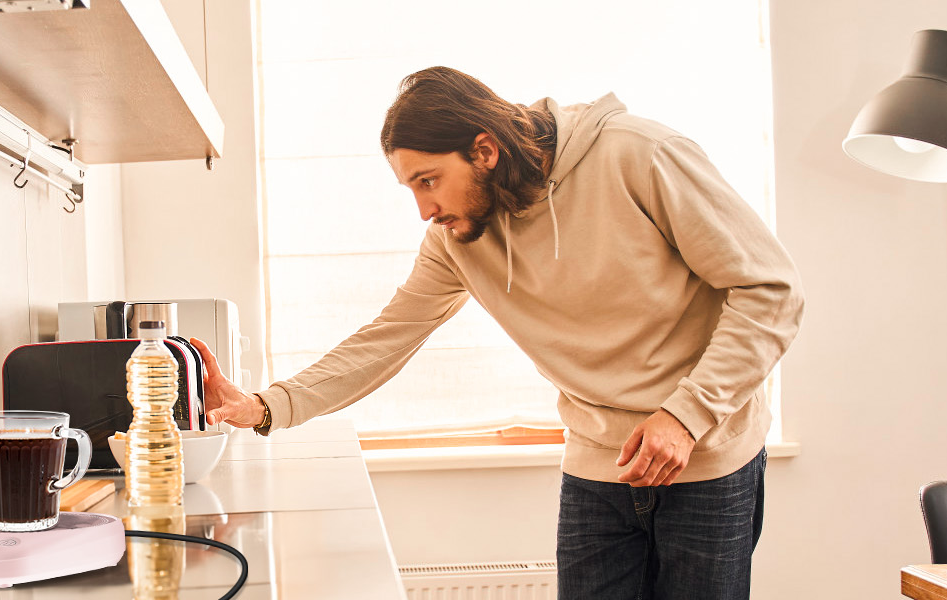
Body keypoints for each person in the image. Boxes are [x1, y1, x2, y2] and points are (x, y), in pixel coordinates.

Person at [188, 66, 804, 600]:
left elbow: (770, 289)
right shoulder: (457, 239)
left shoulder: (641, 155)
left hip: (708, 460)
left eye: (428, 181)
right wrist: (266, 405)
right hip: (598, 467)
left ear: (484, 150)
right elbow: (387, 337)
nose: (423, 210)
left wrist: (686, 414)